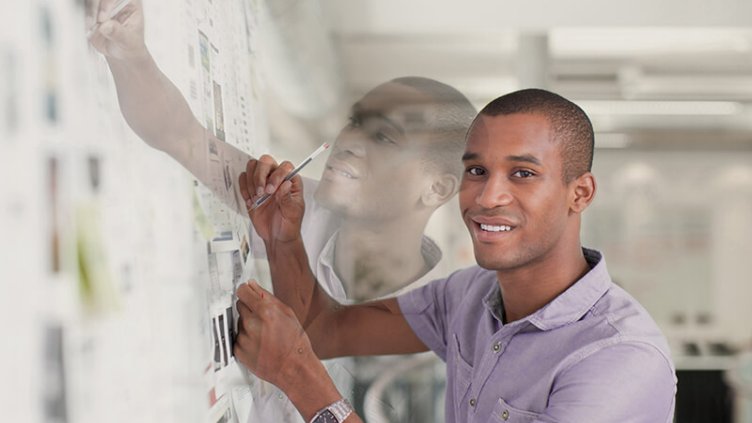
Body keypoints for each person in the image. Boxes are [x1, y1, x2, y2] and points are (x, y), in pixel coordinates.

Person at [86, 0, 476, 420]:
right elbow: (183, 138)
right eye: (355, 121)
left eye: (383, 138)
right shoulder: (297, 207)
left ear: (436, 188)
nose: (347, 141)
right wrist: (130, 54)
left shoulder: (441, 343)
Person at [234, 88, 678, 422]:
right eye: (477, 171)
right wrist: (283, 238)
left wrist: (301, 378)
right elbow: (321, 331)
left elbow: (302, 354)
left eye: (523, 173)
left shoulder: (618, 360)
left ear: (579, 193)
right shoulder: (471, 295)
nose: (488, 196)